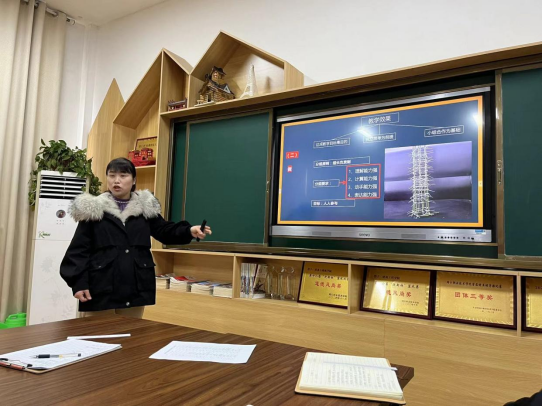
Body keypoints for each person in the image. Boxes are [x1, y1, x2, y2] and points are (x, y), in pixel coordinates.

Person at [60, 158, 212, 318]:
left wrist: (189, 231)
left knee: (131, 332)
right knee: (98, 333)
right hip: (100, 288)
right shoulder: (93, 210)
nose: (116, 180)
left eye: (123, 175)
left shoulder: (145, 208)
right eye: (112, 175)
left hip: (134, 289)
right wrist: (79, 283)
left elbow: (164, 231)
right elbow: (78, 250)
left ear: (133, 180)